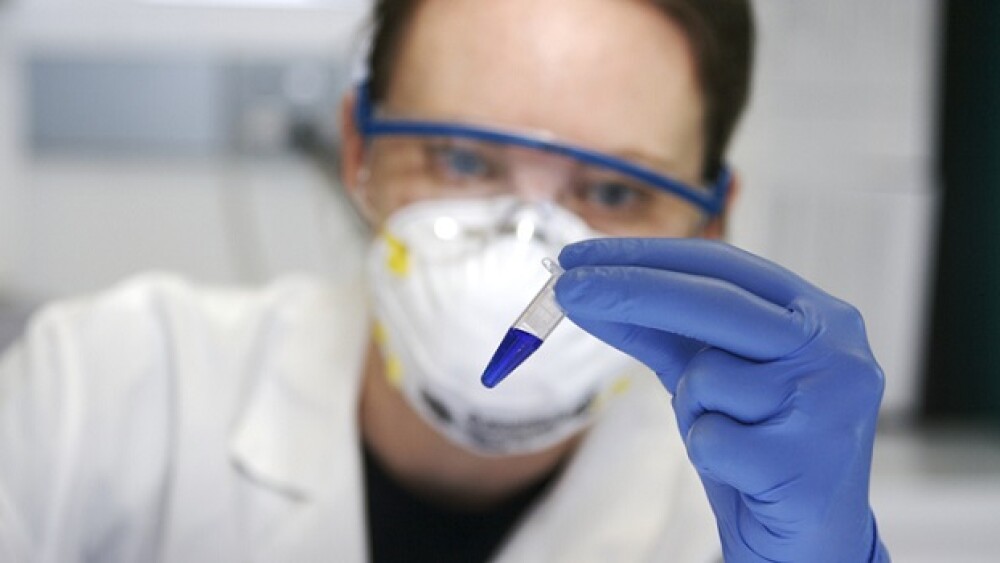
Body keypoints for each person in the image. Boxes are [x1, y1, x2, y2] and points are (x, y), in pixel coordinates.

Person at [0, 0, 891, 561]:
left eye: (613, 189)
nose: (525, 250)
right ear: (359, 149)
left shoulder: (744, 517)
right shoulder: (100, 394)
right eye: (463, 159)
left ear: (710, 218)